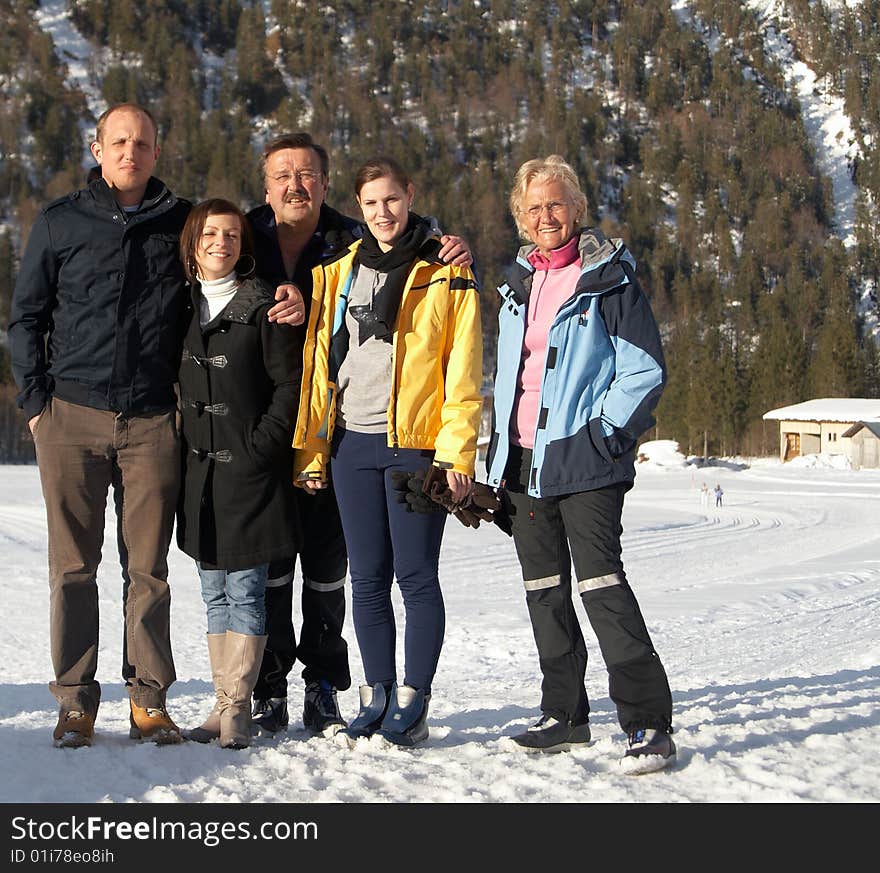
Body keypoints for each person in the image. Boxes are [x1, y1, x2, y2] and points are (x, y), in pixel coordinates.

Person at [7, 103, 302, 749]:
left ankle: (148, 699)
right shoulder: (61, 222)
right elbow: (25, 317)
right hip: (71, 415)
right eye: (119, 142)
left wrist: (289, 291)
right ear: (98, 146)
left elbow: (237, 251)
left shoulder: (182, 222)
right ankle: (77, 701)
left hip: (152, 421)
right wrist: (36, 404)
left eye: (141, 143)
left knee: (149, 569)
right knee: (73, 569)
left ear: (156, 151)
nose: (130, 153)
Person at [246, 133, 473, 738]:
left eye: (393, 201)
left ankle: (413, 697)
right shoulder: (336, 272)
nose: (382, 213)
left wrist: (456, 453)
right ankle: (375, 694)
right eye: (372, 204)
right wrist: (315, 447)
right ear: (359, 206)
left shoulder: (445, 275)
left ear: (410, 199)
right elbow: (321, 363)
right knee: (367, 576)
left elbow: (464, 376)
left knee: (416, 576)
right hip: (349, 446)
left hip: (414, 447)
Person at [485, 155, 676, 774]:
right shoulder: (517, 285)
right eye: (534, 207)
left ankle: (647, 722)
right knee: (545, 593)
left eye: (556, 204)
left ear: (577, 209)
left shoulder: (610, 280)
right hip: (523, 463)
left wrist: (603, 435)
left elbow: (643, 369)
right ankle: (563, 715)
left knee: (601, 589)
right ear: (521, 215)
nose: (546, 217)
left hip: (587, 461)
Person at [176, 199, 302, 749]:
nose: (220, 243)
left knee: (247, 592)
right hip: (200, 474)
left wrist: (261, 447)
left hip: (249, 472)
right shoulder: (179, 304)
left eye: (231, 234)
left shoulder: (264, 304)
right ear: (194, 242)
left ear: (243, 245)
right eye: (210, 233)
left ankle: (237, 708)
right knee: (213, 594)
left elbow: (289, 385)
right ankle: (224, 702)